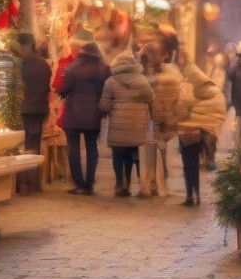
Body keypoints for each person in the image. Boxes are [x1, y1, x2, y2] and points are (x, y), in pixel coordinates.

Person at [174, 45, 227, 203]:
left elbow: (183, 109)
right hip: (198, 131)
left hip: (187, 130)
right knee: (193, 164)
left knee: (187, 164)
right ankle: (194, 196)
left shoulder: (188, 86)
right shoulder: (209, 88)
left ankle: (190, 196)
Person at [56, 41, 109, 195]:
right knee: (92, 147)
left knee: (73, 148)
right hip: (93, 114)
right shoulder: (102, 68)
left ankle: (79, 182)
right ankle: (89, 184)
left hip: (73, 114)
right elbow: (104, 91)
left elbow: (63, 89)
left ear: (82, 52)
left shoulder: (73, 67)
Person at [99, 50, 155, 197]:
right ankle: (134, 183)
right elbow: (151, 98)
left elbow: (104, 106)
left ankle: (120, 184)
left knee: (118, 155)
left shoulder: (110, 81)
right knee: (132, 154)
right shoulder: (142, 80)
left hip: (118, 126)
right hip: (137, 125)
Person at [138, 29, 184, 197]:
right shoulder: (173, 74)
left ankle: (151, 182)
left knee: (150, 151)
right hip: (164, 119)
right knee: (160, 151)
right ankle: (158, 181)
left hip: (154, 119)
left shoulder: (149, 75)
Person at [17, 32, 52, 193]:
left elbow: (19, 87)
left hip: (25, 109)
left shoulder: (22, 63)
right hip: (39, 108)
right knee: (35, 145)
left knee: (25, 146)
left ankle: (24, 183)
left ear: (24, 45)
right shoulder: (43, 64)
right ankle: (35, 183)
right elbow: (46, 87)